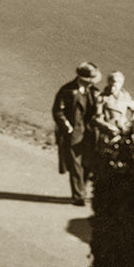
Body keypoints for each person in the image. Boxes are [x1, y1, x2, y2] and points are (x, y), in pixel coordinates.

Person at [52, 62, 101, 206]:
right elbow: (58, 111)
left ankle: (82, 190)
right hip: (73, 132)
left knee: (87, 162)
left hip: (89, 131)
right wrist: (67, 127)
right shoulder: (67, 91)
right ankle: (78, 195)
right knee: (75, 164)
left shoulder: (93, 91)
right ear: (82, 79)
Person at [94, 71, 134, 147]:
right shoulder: (102, 98)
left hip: (123, 132)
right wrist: (108, 126)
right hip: (108, 134)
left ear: (121, 84)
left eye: (115, 84)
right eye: (110, 83)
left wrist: (131, 122)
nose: (112, 87)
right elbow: (97, 118)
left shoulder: (125, 97)